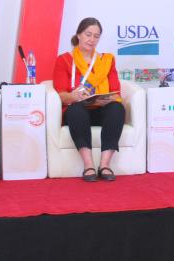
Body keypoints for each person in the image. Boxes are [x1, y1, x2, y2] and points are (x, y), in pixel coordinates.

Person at [53, 17, 125, 181]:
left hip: (101, 110)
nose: (92, 39)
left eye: (96, 36)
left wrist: (106, 99)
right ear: (79, 34)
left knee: (117, 108)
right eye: (88, 34)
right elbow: (61, 94)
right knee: (76, 110)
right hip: (77, 110)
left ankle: (105, 165)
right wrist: (73, 96)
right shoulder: (64, 60)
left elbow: (116, 91)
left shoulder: (107, 60)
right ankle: (88, 165)